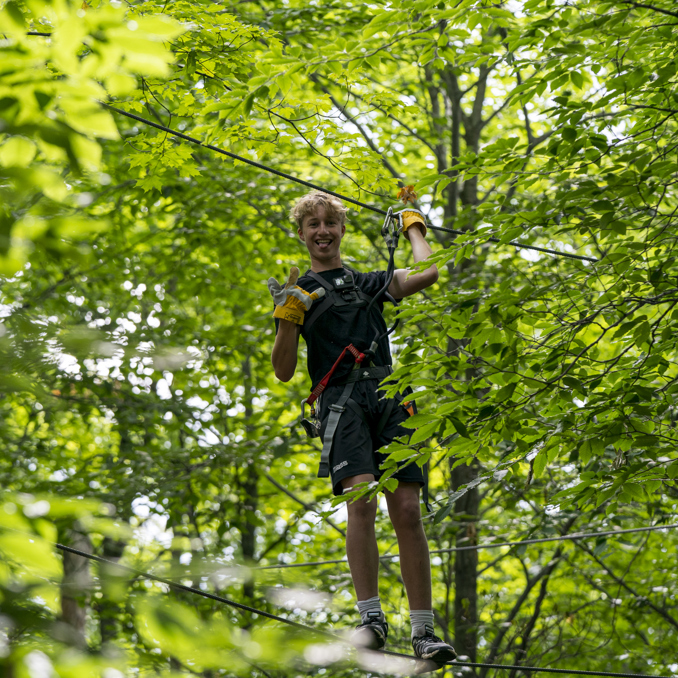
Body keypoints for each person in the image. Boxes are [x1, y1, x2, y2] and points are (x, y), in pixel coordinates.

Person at [268, 190, 456, 664]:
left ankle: (424, 631)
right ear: (302, 234)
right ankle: (371, 619)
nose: (322, 231)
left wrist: (414, 225)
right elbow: (284, 371)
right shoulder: (301, 291)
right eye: (313, 225)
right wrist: (288, 320)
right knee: (362, 501)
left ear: (342, 229)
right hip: (340, 403)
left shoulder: (367, 282)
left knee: (408, 510)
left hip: (390, 396)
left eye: (330, 222)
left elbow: (428, 272)